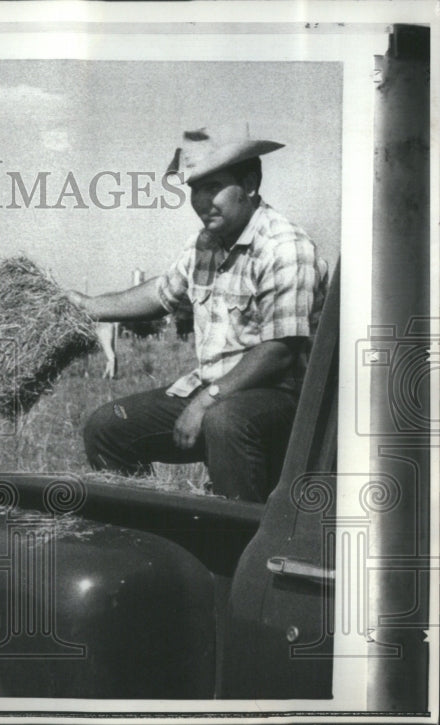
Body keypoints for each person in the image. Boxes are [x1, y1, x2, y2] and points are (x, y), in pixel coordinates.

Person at [68, 126, 328, 502]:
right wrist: (89, 305)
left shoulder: (285, 247)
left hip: (280, 401)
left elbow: (279, 351)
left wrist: (207, 401)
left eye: (213, 187)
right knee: (107, 427)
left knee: (226, 422)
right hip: (214, 392)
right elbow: (162, 293)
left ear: (250, 184)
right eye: (194, 188)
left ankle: (236, 549)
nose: (201, 200)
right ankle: (148, 538)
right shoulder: (205, 243)